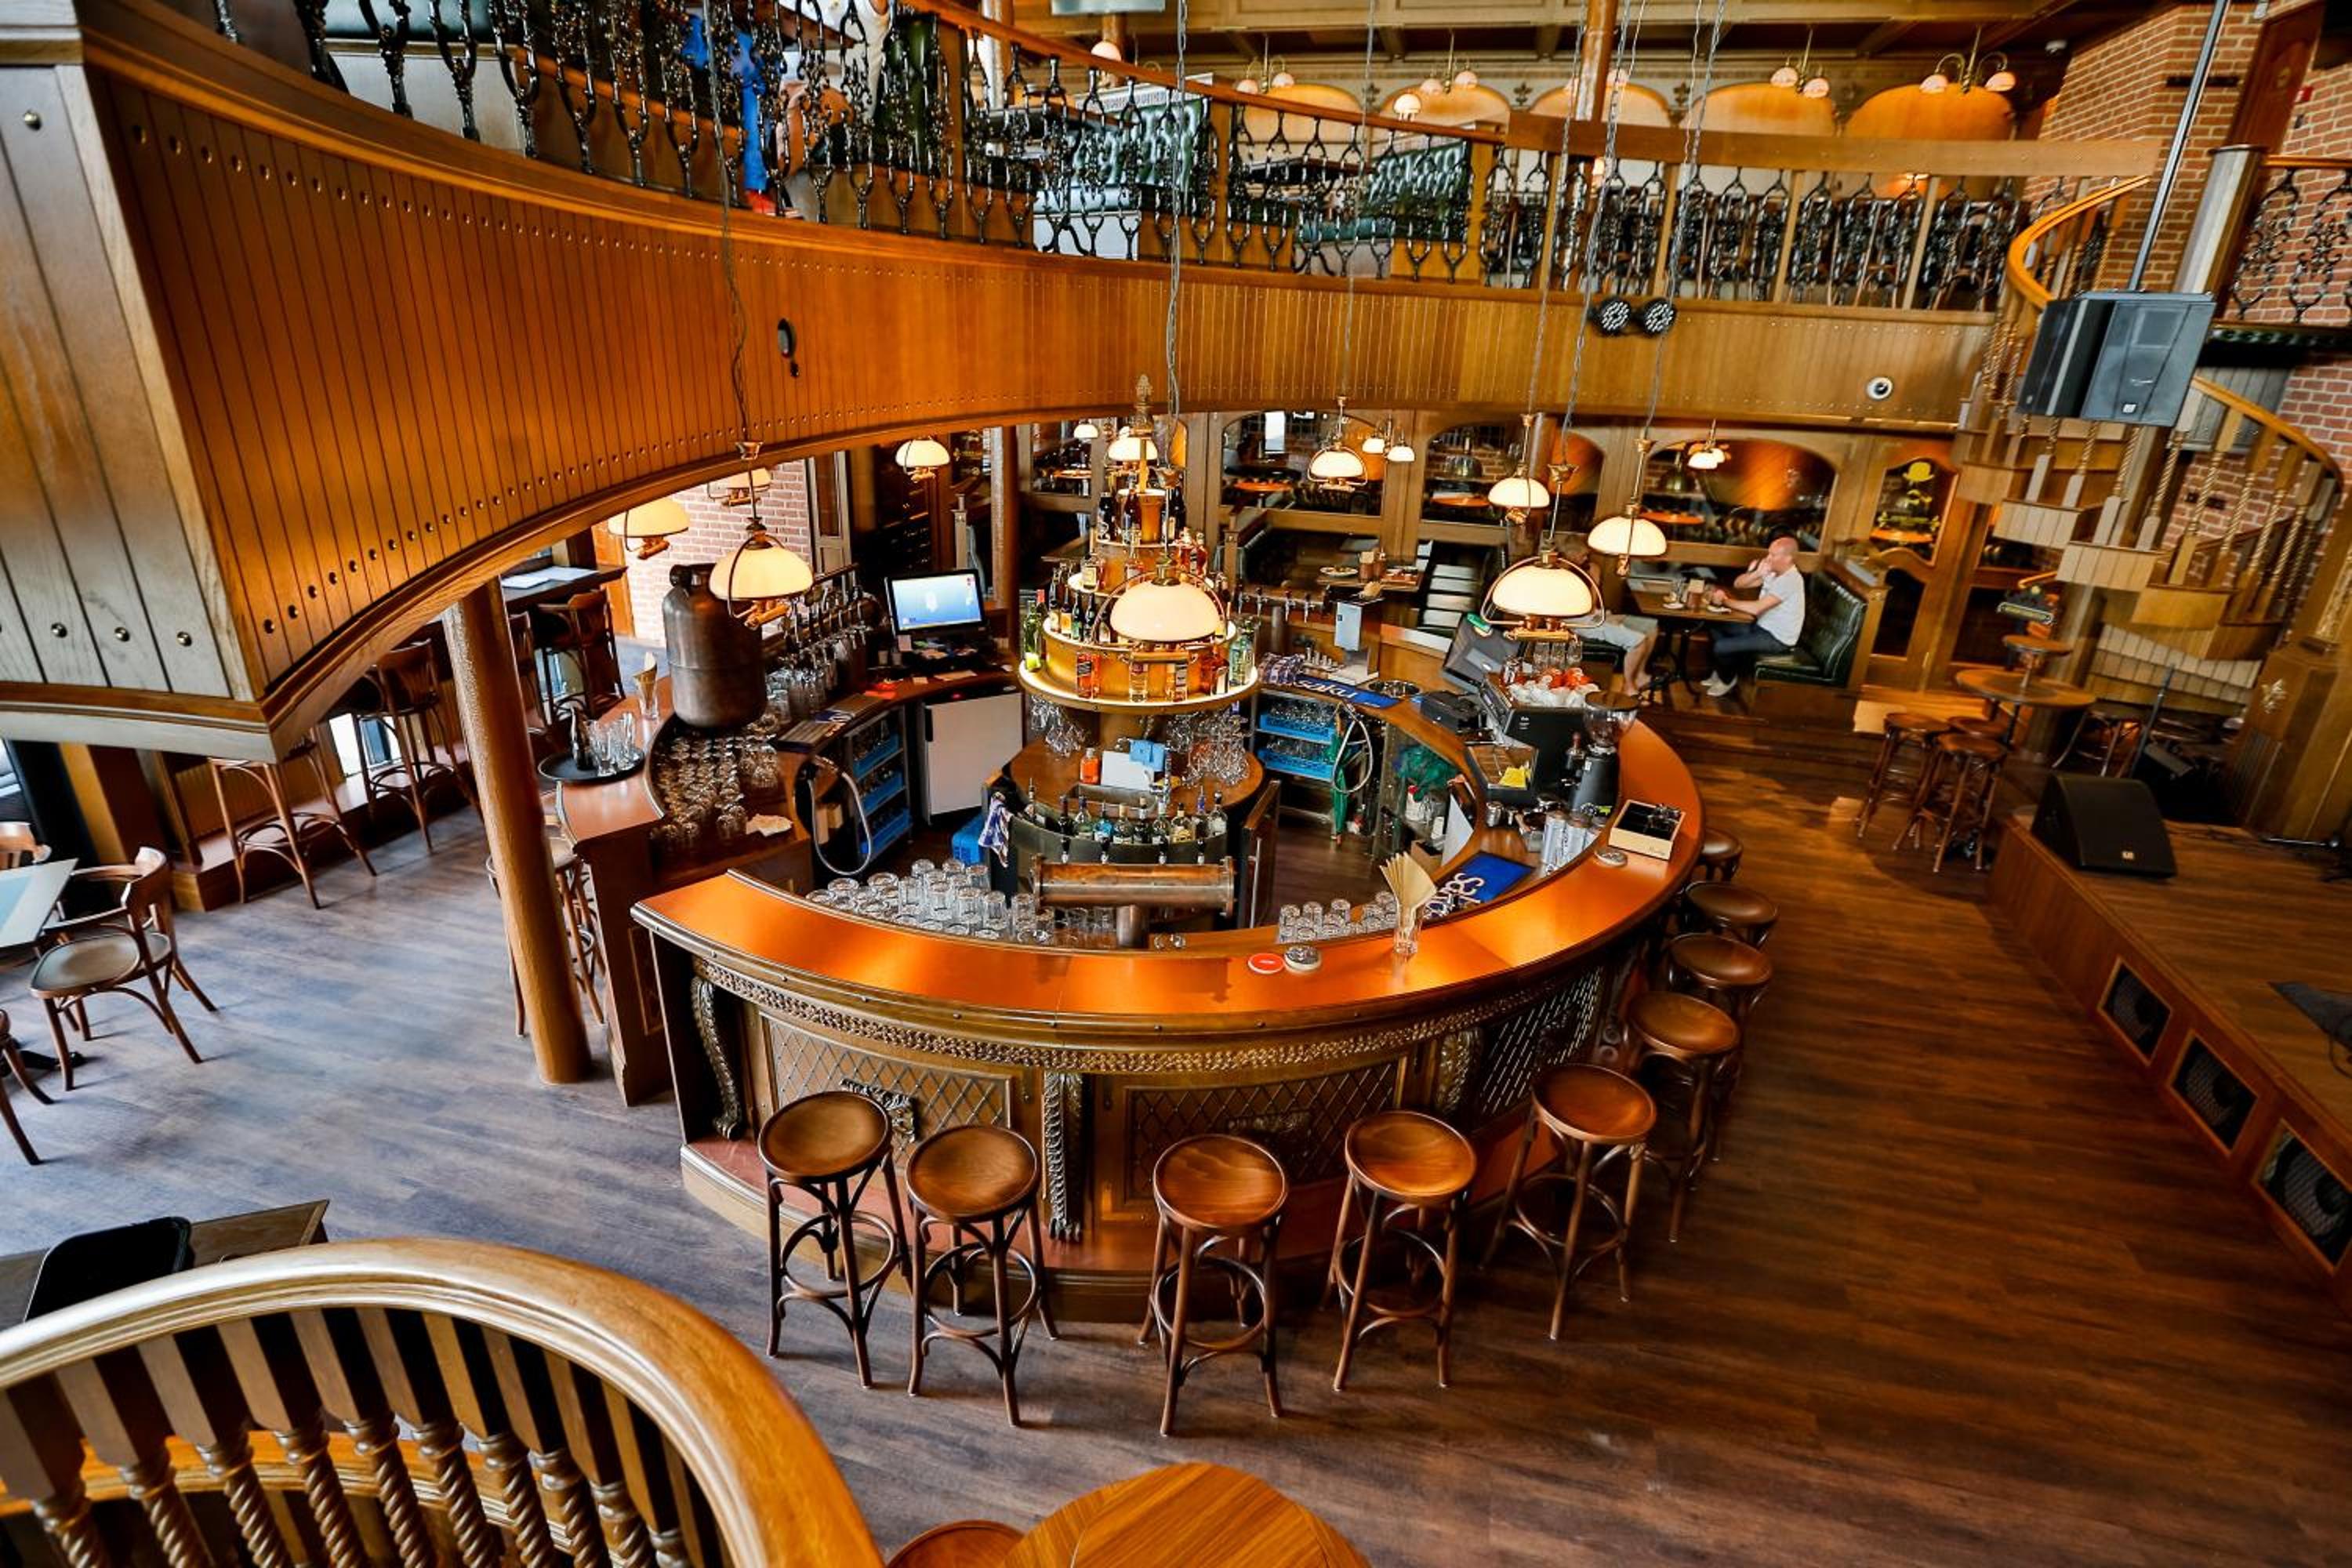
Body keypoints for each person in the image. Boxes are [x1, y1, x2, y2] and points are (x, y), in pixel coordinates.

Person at [1700, 535, 1806, 699]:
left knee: (1721, 646)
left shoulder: (1790, 580)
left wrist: (1725, 601)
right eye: (1768, 553)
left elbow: (1756, 609)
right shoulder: (1773, 571)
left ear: (1788, 558)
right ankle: (1722, 671)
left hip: (1777, 639)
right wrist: (1757, 573)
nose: (1768, 558)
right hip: (1761, 627)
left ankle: (1727, 680)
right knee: (1716, 627)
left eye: (1773, 555)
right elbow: (1739, 584)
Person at [1559, 544, 1661, 693]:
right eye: (1583, 556)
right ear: (1571, 556)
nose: (1586, 559)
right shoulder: (1564, 577)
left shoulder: (1587, 569)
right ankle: (1628, 685)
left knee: (1651, 627)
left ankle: (1640, 675)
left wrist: (1594, 579)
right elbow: (1587, 608)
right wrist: (1594, 581)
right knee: (1639, 641)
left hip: (1598, 615)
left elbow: (1594, 608)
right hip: (1582, 623)